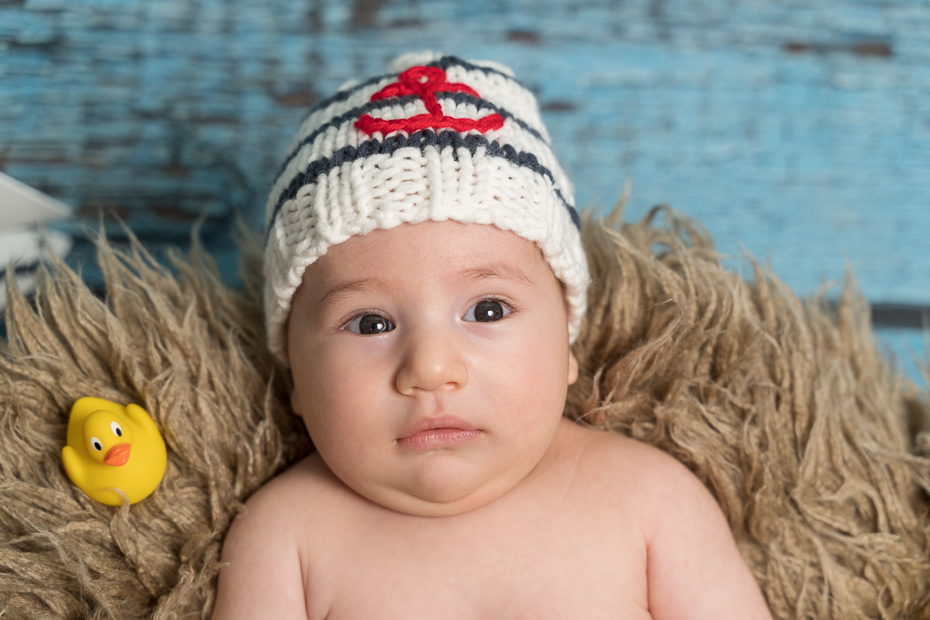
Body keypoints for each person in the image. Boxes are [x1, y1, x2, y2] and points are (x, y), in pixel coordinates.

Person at [211, 52, 773, 619]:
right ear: (297, 379)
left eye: (486, 310)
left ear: (566, 343)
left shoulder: (650, 503)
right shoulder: (286, 538)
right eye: (371, 323)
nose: (430, 369)